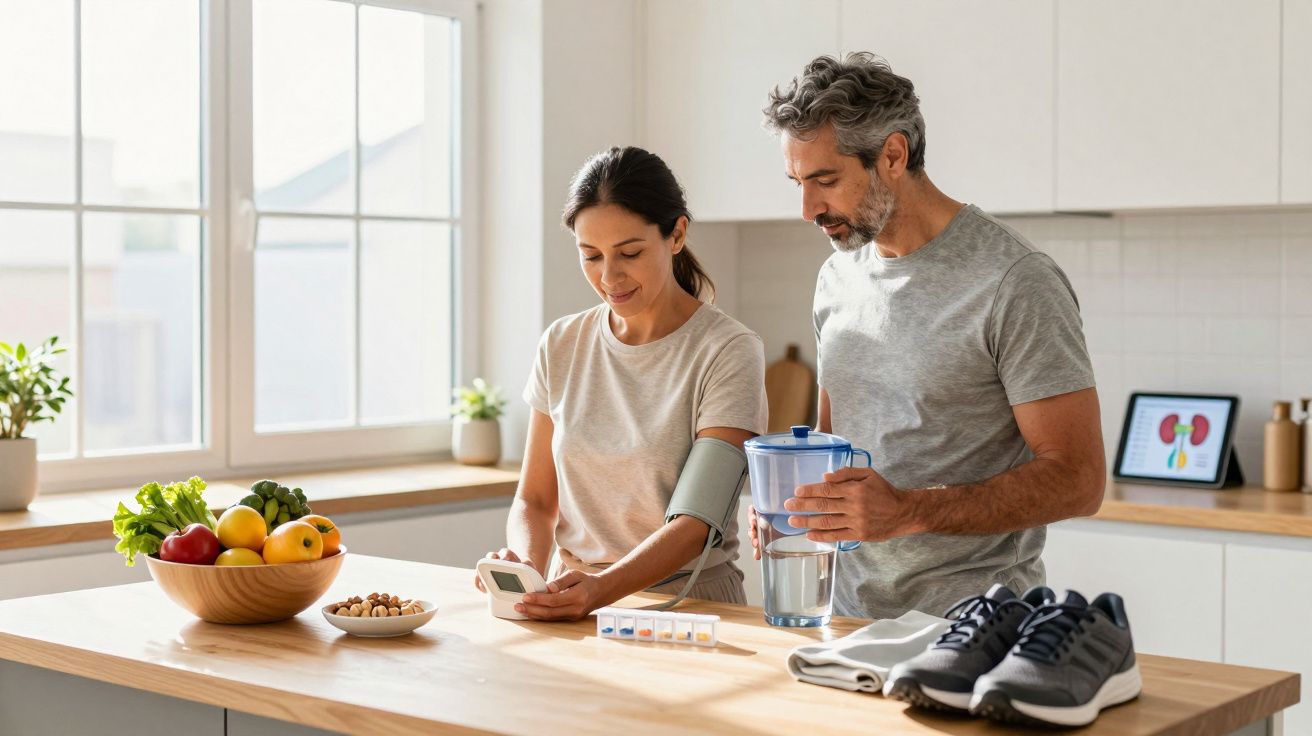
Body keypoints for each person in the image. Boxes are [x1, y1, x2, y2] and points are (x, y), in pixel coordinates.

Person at [750, 53, 1106, 620]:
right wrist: (799, 501)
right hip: (844, 618)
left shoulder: (1013, 281)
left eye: (825, 180)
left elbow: (1079, 480)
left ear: (893, 154)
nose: (807, 209)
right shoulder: (837, 277)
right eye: (798, 182)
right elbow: (832, 436)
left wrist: (909, 511)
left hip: (974, 628)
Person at [476, 146, 768, 620]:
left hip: (686, 608)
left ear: (676, 234)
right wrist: (526, 567)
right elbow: (534, 499)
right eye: (590, 256)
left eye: (629, 253)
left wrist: (601, 589)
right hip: (571, 602)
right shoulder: (562, 343)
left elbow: (696, 521)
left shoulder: (727, 349)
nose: (609, 277)